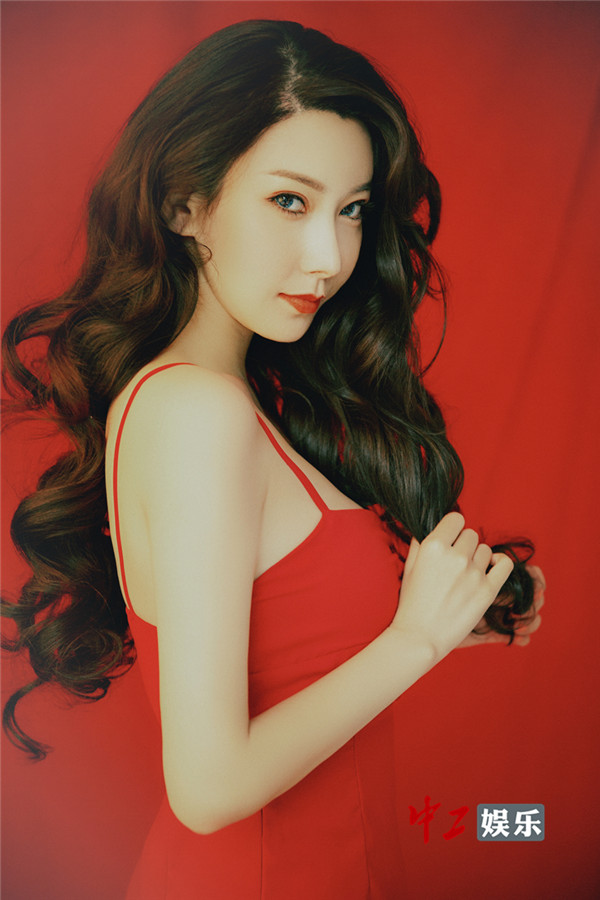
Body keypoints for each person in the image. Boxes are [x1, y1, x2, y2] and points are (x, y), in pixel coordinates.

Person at [2, 19, 544, 899]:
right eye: (290, 201)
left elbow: (287, 657)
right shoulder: (199, 413)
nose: (328, 257)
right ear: (184, 203)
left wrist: (445, 621)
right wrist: (412, 640)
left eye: (352, 209)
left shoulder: (227, 401)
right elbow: (209, 789)